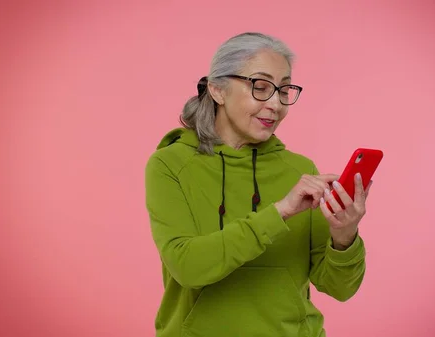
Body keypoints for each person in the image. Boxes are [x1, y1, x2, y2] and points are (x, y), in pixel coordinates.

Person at [144, 32, 373, 337]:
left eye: (284, 90)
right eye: (261, 87)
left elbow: (339, 288)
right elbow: (188, 267)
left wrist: (344, 237)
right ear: (217, 89)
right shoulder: (170, 165)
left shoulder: (300, 171)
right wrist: (278, 213)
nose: (276, 104)